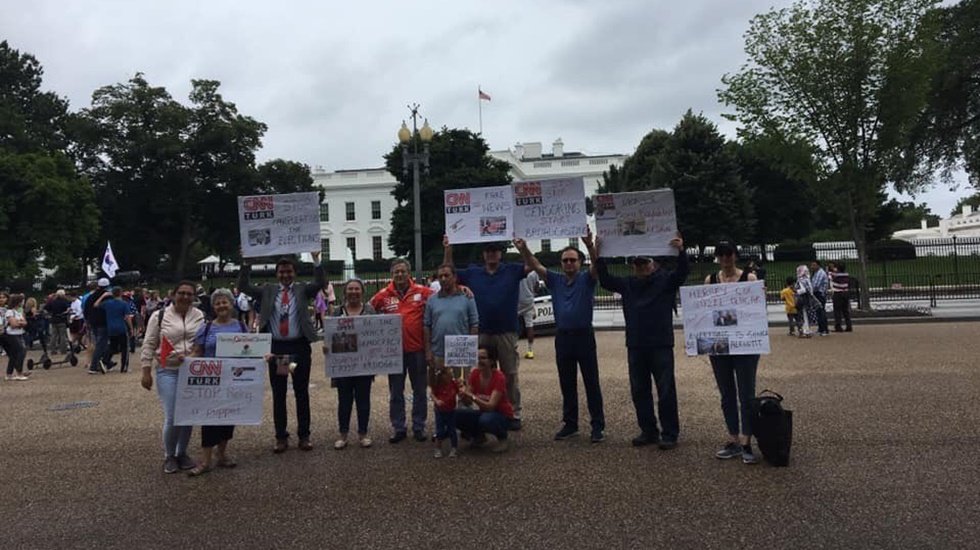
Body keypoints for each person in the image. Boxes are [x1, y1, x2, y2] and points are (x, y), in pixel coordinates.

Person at [596, 234, 688, 449]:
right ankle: (648, 430)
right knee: (639, 391)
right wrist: (599, 255)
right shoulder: (628, 284)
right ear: (633, 266)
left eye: (644, 262)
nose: (641, 267)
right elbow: (605, 280)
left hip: (660, 343)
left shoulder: (665, 281)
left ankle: (669, 433)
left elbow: (682, 273)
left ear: (653, 264)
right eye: (637, 264)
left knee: (666, 390)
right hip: (636, 344)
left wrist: (681, 251)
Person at [516, 230, 606, 443]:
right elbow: (535, 265)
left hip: (584, 337)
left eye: (572, 260)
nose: (568, 263)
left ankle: (597, 425)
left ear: (580, 262)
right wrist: (524, 248)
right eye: (565, 260)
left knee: (591, 382)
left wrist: (590, 246)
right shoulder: (555, 280)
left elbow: (597, 267)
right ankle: (570, 423)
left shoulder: (587, 279)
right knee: (567, 383)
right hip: (563, 338)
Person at [238, 253, 324, 453]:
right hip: (278, 349)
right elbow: (243, 286)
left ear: (294, 273)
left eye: (289, 271)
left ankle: (304, 435)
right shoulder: (268, 290)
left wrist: (317, 260)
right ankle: (281, 437)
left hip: (299, 347)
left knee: (301, 392)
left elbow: (320, 283)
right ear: (277, 274)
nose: (285, 275)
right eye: (282, 272)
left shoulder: (302, 289)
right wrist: (246, 262)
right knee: (279, 393)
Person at [444, 238, 528, 430]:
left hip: (506, 330)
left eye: (495, 250)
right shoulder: (473, 272)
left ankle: (513, 412)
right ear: (483, 254)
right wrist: (448, 249)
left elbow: (531, 266)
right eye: (488, 250)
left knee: (510, 373)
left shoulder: (511, 270)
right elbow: (449, 272)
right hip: (480, 330)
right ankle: (477, 407)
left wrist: (523, 249)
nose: (491, 254)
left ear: (500, 253)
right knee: (478, 373)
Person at [703, 240, 760, 465]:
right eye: (721, 254)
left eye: (729, 254)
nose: (725, 258)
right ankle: (733, 437)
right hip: (720, 344)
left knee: (747, 393)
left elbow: (755, 312)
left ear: (735, 255)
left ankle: (746, 440)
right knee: (726, 393)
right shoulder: (711, 280)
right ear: (717, 257)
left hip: (744, 343)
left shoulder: (749, 278)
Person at [140, 280, 205, 474]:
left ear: (194, 297)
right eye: (181, 293)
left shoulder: (199, 315)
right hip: (167, 369)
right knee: (173, 414)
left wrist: (194, 355)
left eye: (189, 294)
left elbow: (201, 341)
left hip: (192, 370)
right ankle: (169, 455)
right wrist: (145, 370)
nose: (185, 297)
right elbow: (149, 343)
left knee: (188, 414)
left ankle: (181, 453)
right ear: (173, 295)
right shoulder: (159, 316)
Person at [369, 258, 434, 444]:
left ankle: (419, 426)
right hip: (393, 353)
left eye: (403, 271)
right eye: (396, 272)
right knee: (396, 391)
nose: (400, 274)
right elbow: (366, 313)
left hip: (417, 350)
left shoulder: (423, 292)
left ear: (409, 273)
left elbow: (444, 297)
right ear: (391, 274)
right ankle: (399, 427)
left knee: (420, 390)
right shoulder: (383, 295)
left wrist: (462, 288)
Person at [187, 288, 246, 476]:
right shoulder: (207, 328)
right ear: (213, 307)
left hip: (232, 379)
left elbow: (250, 350)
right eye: (218, 303)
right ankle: (205, 460)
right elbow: (197, 351)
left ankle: (222, 454)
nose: (221, 306)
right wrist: (185, 360)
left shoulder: (241, 326)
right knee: (209, 419)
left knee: (228, 418)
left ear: (231, 304)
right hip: (211, 380)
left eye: (224, 302)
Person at [328, 279, 376, 450]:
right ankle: (343, 434)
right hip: (343, 365)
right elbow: (330, 336)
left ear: (362, 291)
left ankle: (363, 434)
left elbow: (376, 335)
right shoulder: (337, 312)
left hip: (364, 364)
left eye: (357, 289)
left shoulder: (370, 310)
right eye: (350, 289)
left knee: (364, 400)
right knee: (344, 401)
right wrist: (327, 347)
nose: (353, 292)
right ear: (345, 292)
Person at [423, 264, 480, 381]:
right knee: (440, 387)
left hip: (460, 352)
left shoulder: (467, 297)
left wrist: (470, 349)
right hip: (438, 352)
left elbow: (474, 324)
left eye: (446, 275)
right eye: (440, 276)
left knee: (462, 386)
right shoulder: (432, 300)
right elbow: (427, 325)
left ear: (454, 277)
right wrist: (428, 351)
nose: (443, 279)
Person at [457, 346, 515, 453]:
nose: (479, 361)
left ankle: (503, 438)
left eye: (483, 358)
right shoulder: (474, 374)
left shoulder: (499, 377)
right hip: (484, 412)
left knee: (486, 420)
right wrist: (461, 393)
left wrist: (472, 396)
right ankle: (478, 436)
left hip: (502, 414)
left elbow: (491, 406)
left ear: (491, 361)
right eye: (477, 357)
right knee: (456, 414)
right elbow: (468, 402)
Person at [95, 287, 134, 373]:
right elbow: (127, 317)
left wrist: (103, 296)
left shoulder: (108, 303)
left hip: (111, 328)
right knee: (125, 348)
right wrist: (131, 328)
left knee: (113, 347)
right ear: (121, 293)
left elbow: (96, 305)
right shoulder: (124, 304)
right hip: (121, 327)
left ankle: (104, 359)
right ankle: (124, 367)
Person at [431, 366, 461, 458]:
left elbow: (459, 392)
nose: (451, 376)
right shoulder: (438, 385)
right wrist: (436, 401)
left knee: (452, 430)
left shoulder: (453, 384)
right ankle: (438, 448)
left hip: (451, 411)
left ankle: (454, 448)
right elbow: (432, 394)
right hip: (440, 411)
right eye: (449, 374)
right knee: (439, 431)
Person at [84, 278, 112, 374]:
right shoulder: (107, 296)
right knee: (101, 344)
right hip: (103, 322)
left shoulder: (91, 296)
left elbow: (86, 310)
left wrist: (87, 321)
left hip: (93, 322)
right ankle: (94, 366)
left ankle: (107, 362)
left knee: (100, 343)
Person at [2, 292, 29, 381]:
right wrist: (20, 323)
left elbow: (25, 322)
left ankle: (9, 374)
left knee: (13, 355)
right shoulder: (10, 312)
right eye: (21, 301)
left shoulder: (18, 312)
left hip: (19, 333)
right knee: (21, 351)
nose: (22, 303)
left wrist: (20, 323)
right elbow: (13, 324)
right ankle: (19, 373)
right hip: (12, 335)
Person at [517, 270, 540, 359]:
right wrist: (532, 292)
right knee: (529, 326)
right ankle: (530, 351)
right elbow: (537, 287)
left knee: (512, 325)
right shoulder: (534, 273)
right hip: (529, 301)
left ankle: (512, 348)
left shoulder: (518, 270)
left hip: (517, 301)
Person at [44, 290, 71, 356]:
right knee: (62, 336)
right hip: (62, 319)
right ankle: (63, 350)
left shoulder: (52, 301)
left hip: (54, 319)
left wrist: (50, 312)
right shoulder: (64, 301)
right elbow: (68, 309)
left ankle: (53, 350)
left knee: (54, 336)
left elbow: (46, 308)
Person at [795, 265, 818, 338]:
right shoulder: (806, 279)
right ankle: (806, 330)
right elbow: (809, 289)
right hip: (806, 299)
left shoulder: (800, 280)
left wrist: (796, 292)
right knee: (806, 314)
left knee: (803, 315)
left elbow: (801, 290)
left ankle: (805, 330)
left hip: (802, 299)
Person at [830, 262, 853, 332]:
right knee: (845, 310)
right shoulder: (846, 274)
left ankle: (838, 326)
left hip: (838, 293)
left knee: (837, 311)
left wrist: (831, 269)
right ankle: (849, 325)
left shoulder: (835, 274)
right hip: (845, 292)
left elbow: (829, 276)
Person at [809, 260, 830, 336]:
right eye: (812, 265)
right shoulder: (816, 273)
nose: (812, 267)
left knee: (821, 311)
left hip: (820, 294)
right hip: (817, 293)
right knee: (818, 311)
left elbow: (816, 285)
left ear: (818, 265)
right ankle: (821, 329)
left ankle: (824, 329)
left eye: (814, 265)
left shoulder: (820, 273)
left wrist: (810, 289)